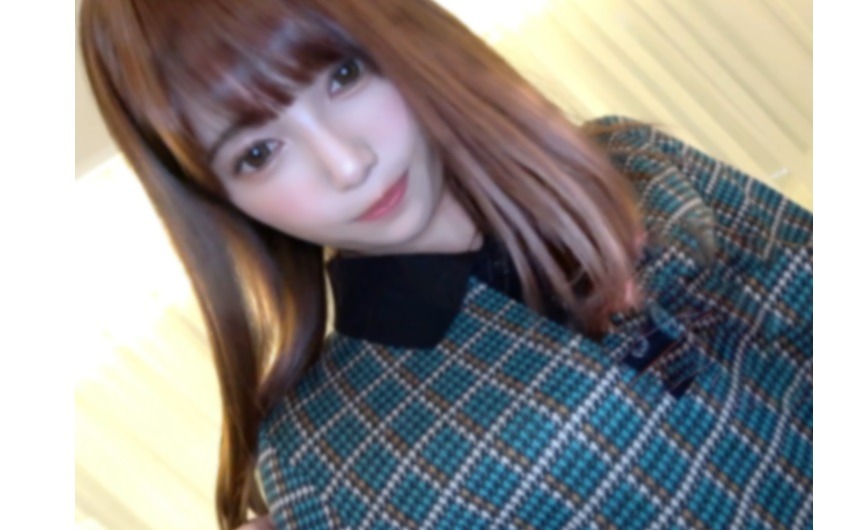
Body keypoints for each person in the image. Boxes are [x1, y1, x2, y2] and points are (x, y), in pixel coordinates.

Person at [79, 0, 813, 529]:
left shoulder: (634, 166)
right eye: (259, 152)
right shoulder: (323, 455)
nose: (347, 164)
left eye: (343, 74)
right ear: (221, 201)